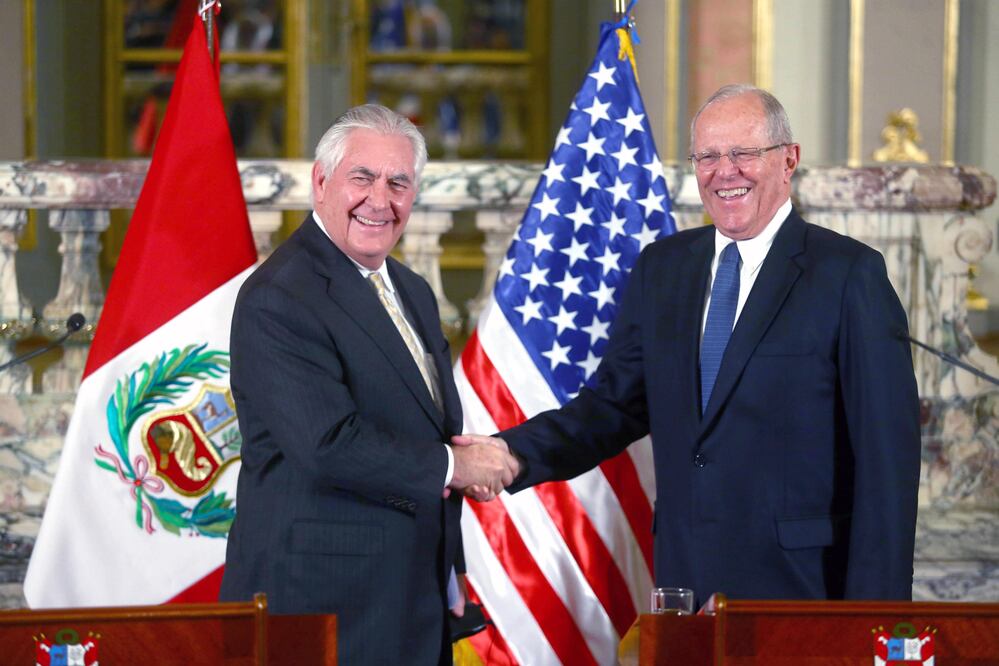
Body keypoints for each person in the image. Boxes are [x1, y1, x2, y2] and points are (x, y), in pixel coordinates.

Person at [454, 84, 921, 604]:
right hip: (684, 586)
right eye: (707, 156)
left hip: (803, 594)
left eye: (743, 153)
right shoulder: (664, 268)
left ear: (788, 160)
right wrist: (511, 453)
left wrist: (874, 624)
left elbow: (887, 467)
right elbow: (611, 407)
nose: (725, 171)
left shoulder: (847, 274)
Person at [220, 104, 518, 665]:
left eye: (398, 182)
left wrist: (447, 570)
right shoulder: (279, 296)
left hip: (410, 600)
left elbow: (424, 430)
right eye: (362, 177)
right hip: (321, 606)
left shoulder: (411, 289)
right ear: (321, 180)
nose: (380, 200)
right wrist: (457, 467)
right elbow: (327, 445)